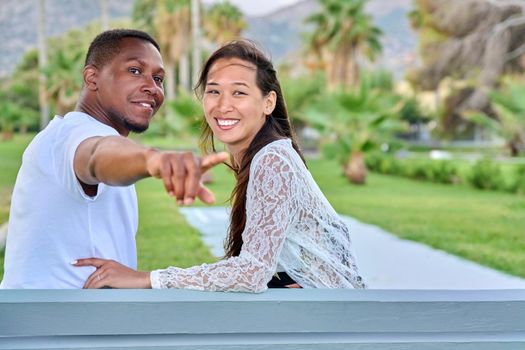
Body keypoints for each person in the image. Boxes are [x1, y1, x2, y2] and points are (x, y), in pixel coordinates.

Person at [74, 40, 366, 291]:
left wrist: (147, 278)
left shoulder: (272, 159)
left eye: (239, 92)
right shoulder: (265, 155)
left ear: (268, 102)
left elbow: (252, 273)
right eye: (213, 91)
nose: (223, 105)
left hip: (330, 322)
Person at [0, 29, 226, 289]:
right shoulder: (75, 135)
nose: (152, 87)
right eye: (134, 71)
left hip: (61, 320)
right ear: (92, 77)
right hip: (55, 325)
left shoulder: (66, 132)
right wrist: (154, 161)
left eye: (158, 78)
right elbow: (96, 154)